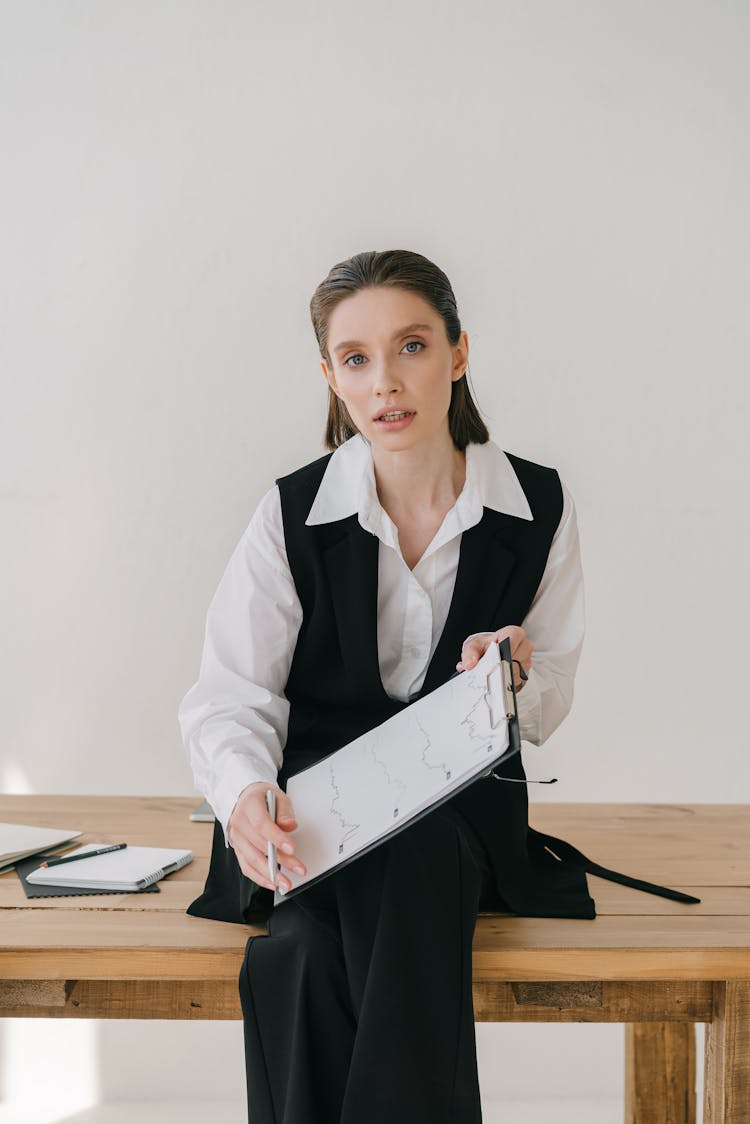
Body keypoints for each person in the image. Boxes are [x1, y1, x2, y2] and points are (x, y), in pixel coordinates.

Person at [178, 249, 695, 1124]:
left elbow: (551, 690)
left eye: (412, 346)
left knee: (379, 879)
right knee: (299, 952)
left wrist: (512, 681)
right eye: (356, 358)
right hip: (309, 823)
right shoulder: (290, 513)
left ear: (458, 352)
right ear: (331, 377)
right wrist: (243, 798)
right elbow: (232, 695)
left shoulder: (537, 505)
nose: (387, 382)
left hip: (452, 822)